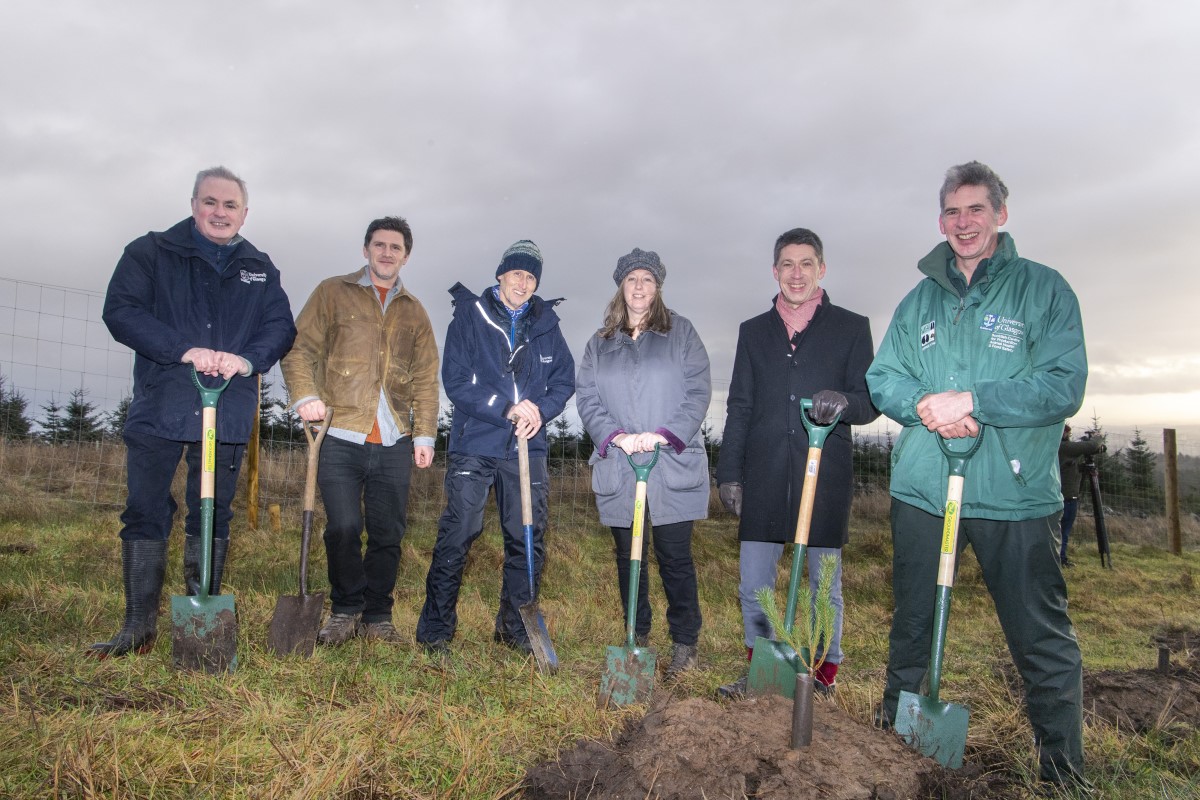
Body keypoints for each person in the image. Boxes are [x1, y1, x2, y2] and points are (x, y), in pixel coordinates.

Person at [866, 162, 1089, 788]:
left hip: (1013, 494)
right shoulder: (919, 301)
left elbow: (1062, 385)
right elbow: (884, 377)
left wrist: (974, 400)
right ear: (941, 220)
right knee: (912, 623)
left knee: (1038, 634)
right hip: (925, 491)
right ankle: (892, 749)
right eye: (952, 212)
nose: (963, 223)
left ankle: (1063, 770)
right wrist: (925, 406)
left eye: (976, 210)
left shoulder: (1043, 291)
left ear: (1000, 214)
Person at [92, 166, 296, 657]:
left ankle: (200, 620)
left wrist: (247, 360)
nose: (219, 213)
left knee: (212, 511)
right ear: (193, 204)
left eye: (230, 205)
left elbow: (280, 326)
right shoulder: (151, 252)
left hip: (225, 409)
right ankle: (137, 625)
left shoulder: (260, 267)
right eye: (211, 202)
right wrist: (184, 349)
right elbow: (120, 310)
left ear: (244, 213)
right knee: (145, 509)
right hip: (163, 401)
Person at [714, 228, 878, 699]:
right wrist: (729, 473)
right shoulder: (753, 331)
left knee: (824, 587)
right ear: (775, 271)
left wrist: (843, 400)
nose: (797, 274)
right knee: (754, 585)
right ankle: (761, 671)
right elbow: (740, 406)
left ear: (821, 269)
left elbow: (870, 402)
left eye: (807, 264)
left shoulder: (850, 328)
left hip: (822, 477)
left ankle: (821, 677)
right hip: (763, 473)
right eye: (787, 264)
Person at [281, 216, 440, 645]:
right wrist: (304, 397)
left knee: (388, 533)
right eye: (379, 245)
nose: (387, 253)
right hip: (339, 433)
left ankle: (378, 615)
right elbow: (298, 350)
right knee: (344, 528)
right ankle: (346, 609)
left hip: (394, 441)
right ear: (366, 249)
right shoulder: (332, 292)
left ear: (406, 256)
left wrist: (424, 435)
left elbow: (426, 378)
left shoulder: (415, 312)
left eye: (396, 247)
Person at [415, 240, 574, 656]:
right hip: (477, 443)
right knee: (459, 532)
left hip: (528, 447)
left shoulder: (547, 325)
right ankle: (435, 631)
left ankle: (515, 629)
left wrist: (540, 410)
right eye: (517, 273)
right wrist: (505, 408)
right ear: (500, 275)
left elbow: (563, 381)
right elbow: (457, 381)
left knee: (526, 537)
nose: (523, 282)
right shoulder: (470, 316)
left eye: (531, 276)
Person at [576, 248, 712, 679]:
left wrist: (662, 436)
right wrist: (616, 437)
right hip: (621, 464)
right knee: (627, 557)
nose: (639, 287)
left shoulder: (682, 333)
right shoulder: (600, 344)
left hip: (670, 462)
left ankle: (685, 643)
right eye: (632, 279)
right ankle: (637, 636)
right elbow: (588, 398)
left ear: (658, 288)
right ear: (621, 286)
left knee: (675, 557)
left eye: (647, 280)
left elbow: (698, 390)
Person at [1057, 425, 1104, 567]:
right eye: (1067, 433)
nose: (1069, 435)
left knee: (1058, 531)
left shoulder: (1054, 447)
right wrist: (1097, 436)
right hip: (1067, 497)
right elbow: (1092, 445)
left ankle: (1057, 558)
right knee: (1063, 531)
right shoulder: (1065, 448)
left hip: (1058, 496)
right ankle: (1060, 559)